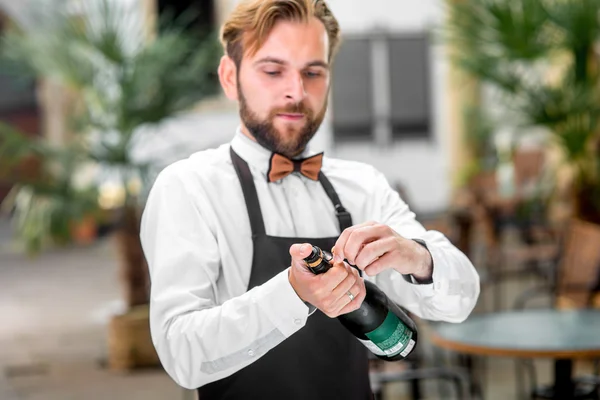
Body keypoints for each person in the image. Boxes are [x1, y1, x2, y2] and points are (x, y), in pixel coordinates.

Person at [140, 0, 480, 398]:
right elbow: (181, 354)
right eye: (272, 70)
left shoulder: (362, 185)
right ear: (230, 77)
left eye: (313, 72)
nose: (296, 92)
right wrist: (293, 294)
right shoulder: (189, 188)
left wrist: (416, 256)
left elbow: (460, 301)